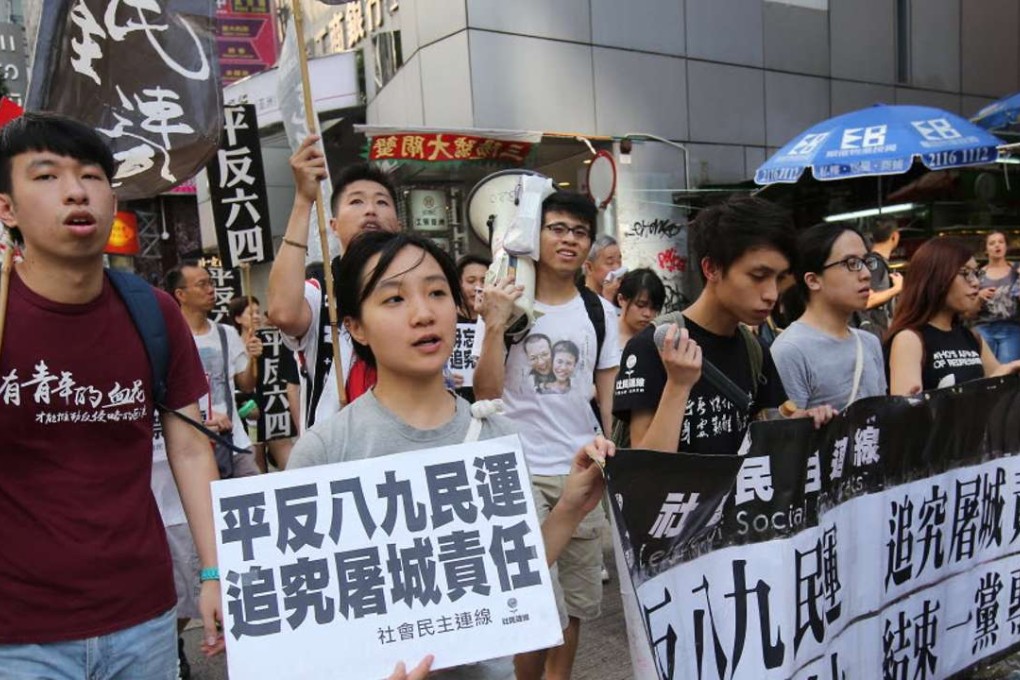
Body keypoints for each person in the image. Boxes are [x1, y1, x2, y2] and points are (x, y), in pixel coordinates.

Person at [287, 231, 613, 679]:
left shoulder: (498, 435)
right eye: (394, 299)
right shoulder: (325, 452)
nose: (423, 314)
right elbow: (305, 626)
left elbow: (519, 565)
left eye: (437, 292)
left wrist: (572, 506)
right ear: (355, 326)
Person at [0, 111, 224, 676]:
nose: (76, 192)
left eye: (92, 177)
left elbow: (192, 450)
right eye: (46, 176)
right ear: (7, 209)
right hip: (18, 636)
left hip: (143, 621)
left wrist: (215, 572)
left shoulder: (154, 312)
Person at [473, 191, 620, 680]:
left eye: (579, 232)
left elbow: (606, 399)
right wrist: (494, 325)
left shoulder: (601, 313)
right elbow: (486, 393)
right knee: (531, 600)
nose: (569, 239)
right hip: (519, 472)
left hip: (579, 469)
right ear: (536, 235)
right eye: (557, 228)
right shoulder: (506, 303)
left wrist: (616, 457)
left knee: (573, 604)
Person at [267, 136, 401, 429]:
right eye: (356, 202)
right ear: (334, 226)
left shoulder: (416, 285)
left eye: (382, 202)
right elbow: (282, 313)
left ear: (398, 224)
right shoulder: (320, 288)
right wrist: (303, 200)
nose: (370, 210)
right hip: (338, 457)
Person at [770, 224, 888, 411]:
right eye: (851, 263)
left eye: (866, 262)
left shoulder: (869, 342)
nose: (866, 274)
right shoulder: (790, 350)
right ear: (813, 280)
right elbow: (785, 433)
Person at [885, 238, 1020, 394]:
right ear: (935, 277)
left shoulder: (971, 337)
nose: (976, 282)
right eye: (965, 273)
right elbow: (905, 411)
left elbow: (1001, 387)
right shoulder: (909, 339)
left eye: (976, 273)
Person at [166, 264, 261, 479]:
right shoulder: (170, 338)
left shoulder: (226, 333)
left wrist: (254, 359)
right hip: (192, 448)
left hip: (235, 442)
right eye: (202, 284)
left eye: (211, 283)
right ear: (180, 294)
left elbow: (246, 385)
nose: (211, 289)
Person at [227, 295, 296, 471]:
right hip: (249, 413)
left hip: (273, 406)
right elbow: (242, 384)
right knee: (257, 464)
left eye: (258, 312)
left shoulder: (272, 339)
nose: (256, 316)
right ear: (237, 318)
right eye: (251, 313)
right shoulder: (231, 342)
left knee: (288, 459)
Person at [449, 254, 490, 402]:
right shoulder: (444, 319)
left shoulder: (500, 322)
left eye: (484, 281)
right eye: (471, 281)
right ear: (458, 284)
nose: (478, 287)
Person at [974, 230, 1020, 363]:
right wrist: (979, 296)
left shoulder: (1016, 270)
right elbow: (967, 308)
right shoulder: (978, 274)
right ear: (986, 249)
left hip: (1011, 327)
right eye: (992, 243)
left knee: (1006, 371)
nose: (997, 246)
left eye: (1001, 242)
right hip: (984, 327)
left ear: (1006, 246)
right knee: (984, 372)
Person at [860, 219, 904, 335]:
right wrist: (896, 289)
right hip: (874, 333)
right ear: (895, 236)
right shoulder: (875, 264)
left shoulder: (876, 262)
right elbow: (866, 300)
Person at [615, 268, 665, 348]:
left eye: (654, 308)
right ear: (621, 299)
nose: (647, 314)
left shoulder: (658, 342)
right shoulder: (603, 334)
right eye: (640, 305)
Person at [582, 233, 623, 305]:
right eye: (610, 263)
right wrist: (607, 299)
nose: (617, 268)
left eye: (619, 262)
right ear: (589, 267)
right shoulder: (579, 301)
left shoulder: (622, 298)